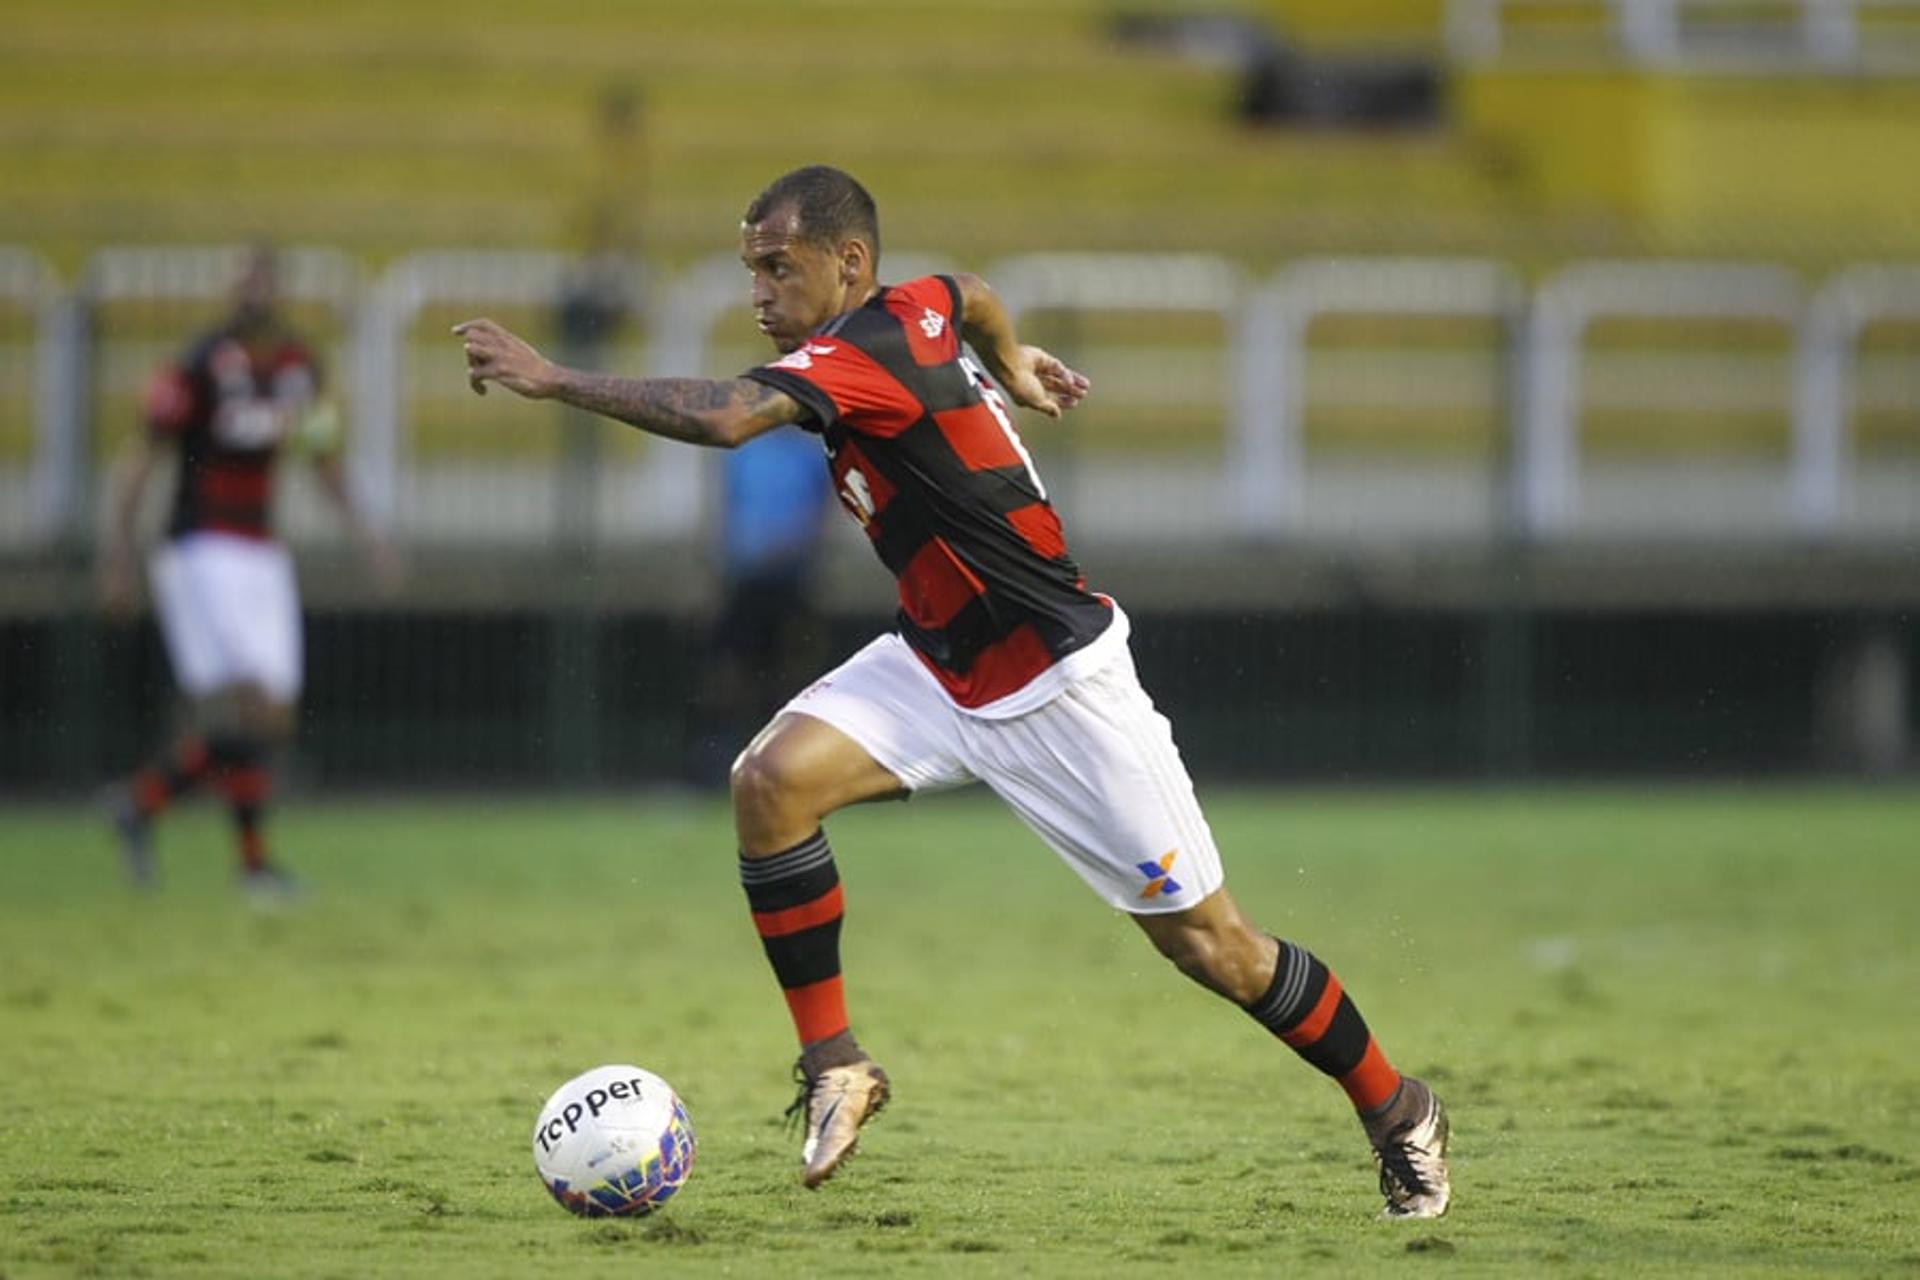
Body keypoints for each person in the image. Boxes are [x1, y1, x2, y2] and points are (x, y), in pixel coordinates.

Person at [454, 165, 1451, 1219]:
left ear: (849, 263)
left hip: (1058, 683)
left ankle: (1399, 1108)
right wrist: (1009, 356)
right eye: (749, 266)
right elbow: (966, 289)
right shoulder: (912, 307)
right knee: (769, 783)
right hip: (936, 660)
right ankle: (837, 1062)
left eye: (776, 265)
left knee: (1217, 949)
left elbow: (728, 418)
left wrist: (557, 378)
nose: (757, 287)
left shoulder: (863, 351)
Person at [101, 244, 397, 901]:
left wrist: (367, 534)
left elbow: (322, 457)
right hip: (201, 544)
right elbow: (141, 457)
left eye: (260, 279)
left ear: (276, 288)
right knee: (252, 703)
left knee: (271, 718)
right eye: (241, 280)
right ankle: (254, 868)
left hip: (261, 548)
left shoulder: (301, 367)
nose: (250, 292)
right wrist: (118, 554)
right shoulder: (200, 363)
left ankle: (142, 804)